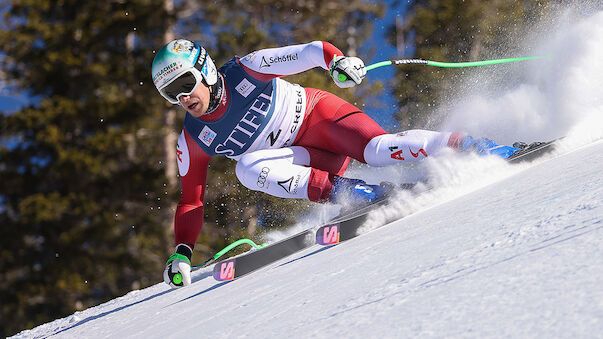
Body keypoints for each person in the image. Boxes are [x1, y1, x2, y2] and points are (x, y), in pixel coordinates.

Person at [151, 39, 519, 288]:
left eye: (185, 82)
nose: (182, 97)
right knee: (247, 170)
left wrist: (337, 62)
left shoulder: (245, 70)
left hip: (319, 118)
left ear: (207, 70)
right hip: (307, 158)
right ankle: (358, 193)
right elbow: (191, 200)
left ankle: (475, 146)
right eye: (170, 92)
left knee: (378, 150)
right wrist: (182, 251)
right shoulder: (194, 137)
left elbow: (311, 52)